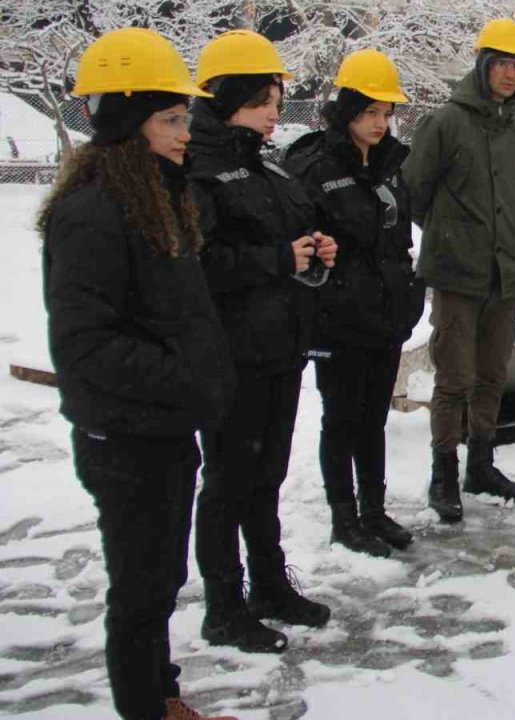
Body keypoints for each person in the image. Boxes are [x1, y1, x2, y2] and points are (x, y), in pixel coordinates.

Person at [40, 28, 238, 720]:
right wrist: (187, 378)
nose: (186, 133)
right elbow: (85, 344)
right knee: (140, 590)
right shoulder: (93, 213)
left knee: (158, 581)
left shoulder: (152, 197)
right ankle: (147, 707)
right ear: (129, 122)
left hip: (160, 428)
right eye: (171, 119)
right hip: (125, 438)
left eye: (185, 117)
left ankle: (162, 697)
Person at [188, 29, 333, 654]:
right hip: (231, 355)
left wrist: (317, 252)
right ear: (227, 98)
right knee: (228, 480)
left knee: (266, 474)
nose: (275, 112)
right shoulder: (197, 169)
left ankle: (269, 585)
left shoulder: (264, 164)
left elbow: (293, 234)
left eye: (277, 100)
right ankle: (223, 606)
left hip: (279, 346)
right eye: (262, 101)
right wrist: (279, 258)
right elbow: (198, 265)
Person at [284, 49, 425, 556]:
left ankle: (374, 510)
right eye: (370, 112)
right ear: (346, 111)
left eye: (386, 113)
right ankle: (344, 518)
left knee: (373, 419)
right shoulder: (315, 167)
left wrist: (408, 295)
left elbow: (399, 241)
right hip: (338, 320)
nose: (380, 123)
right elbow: (303, 249)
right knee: (341, 419)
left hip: (385, 316)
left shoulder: (392, 164)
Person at [404, 18, 515, 521]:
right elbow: (415, 191)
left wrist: (510, 242)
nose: (509, 74)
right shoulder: (444, 123)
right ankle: (443, 472)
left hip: (505, 274)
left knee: (493, 375)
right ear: (482, 66)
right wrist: (452, 234)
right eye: (501, 64)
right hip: (458, 274)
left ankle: (481, 464)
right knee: (453, 378)